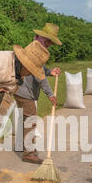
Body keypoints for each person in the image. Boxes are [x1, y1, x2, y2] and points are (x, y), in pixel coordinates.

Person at [14, 23, 62, 164]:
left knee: (27, 120)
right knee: (30, 120)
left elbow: (40, 69)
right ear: (39, 37)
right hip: (24, 92)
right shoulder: (34, 50)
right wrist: (50, 94)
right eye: (47, 41)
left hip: (21, 90)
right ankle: (29, 153)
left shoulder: (34, 49)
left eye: (51, 43)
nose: (48, 44)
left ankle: (25, 147)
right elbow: (40, 77)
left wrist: (50, 72)